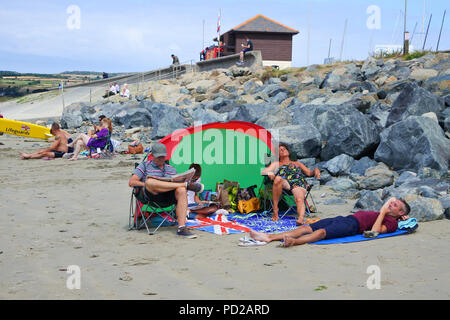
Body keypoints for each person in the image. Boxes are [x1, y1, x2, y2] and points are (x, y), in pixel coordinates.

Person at [248, 197, 411, 247]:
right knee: (306, 227)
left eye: (395, 205)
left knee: (321, 233)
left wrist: (383, 211)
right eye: (391, 202)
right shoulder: (391, 216)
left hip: (352, 226)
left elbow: (373, 233)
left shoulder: (392, 223)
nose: (390, 204)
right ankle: (269, 237)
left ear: (401, 212)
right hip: (345, 218)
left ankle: (294, 242)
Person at [128, 143, 204, 238]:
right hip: (152, 195)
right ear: (152, 155)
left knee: (181, 190)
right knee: (150, 182)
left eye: (163, 157)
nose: (161, 159)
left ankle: (181, 228)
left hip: (168, 196)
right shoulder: (144, 166)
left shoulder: (171, 169)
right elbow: (132, 182)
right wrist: (146, 184)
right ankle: (186, 185)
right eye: (158, 157)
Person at [262, 143, 320, 224]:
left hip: (298, 183)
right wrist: (269, 172)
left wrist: (316, 170)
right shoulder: (276, 164)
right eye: (280, 150)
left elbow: (309, 173)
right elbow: (263, 171)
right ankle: (275, 209)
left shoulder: (297, 163)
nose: (283, 150)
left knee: (299, 199)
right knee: (278, 178)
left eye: (284, 149)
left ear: (288, 151)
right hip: (285, 182)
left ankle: (300, 218)